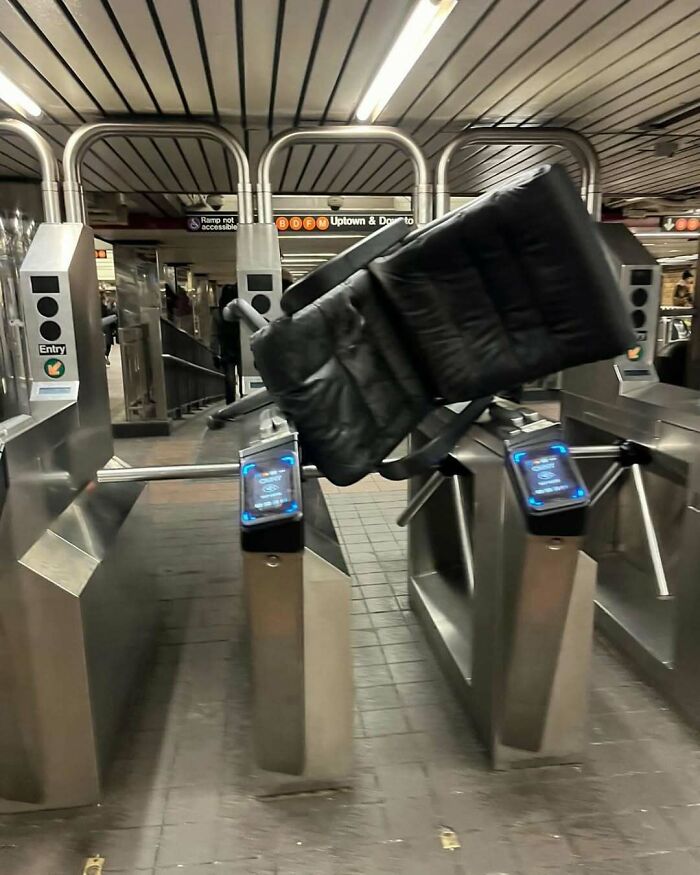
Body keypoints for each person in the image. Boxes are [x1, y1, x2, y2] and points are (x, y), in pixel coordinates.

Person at [212, 284, 242, 404]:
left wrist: (214, 352)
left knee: (230, 378)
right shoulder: (241, 311)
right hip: (240, 347)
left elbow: (213, 334)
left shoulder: (217, 313)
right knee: (242, 376)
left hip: (227, 348)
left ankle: (231, 403)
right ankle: (243, 402)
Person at [100, 292, 116, 366]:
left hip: (103, 328)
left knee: (105, 343)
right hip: (105, 328)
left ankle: (104, 356)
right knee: (107, 343)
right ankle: (105, 356)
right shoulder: (105, 308)